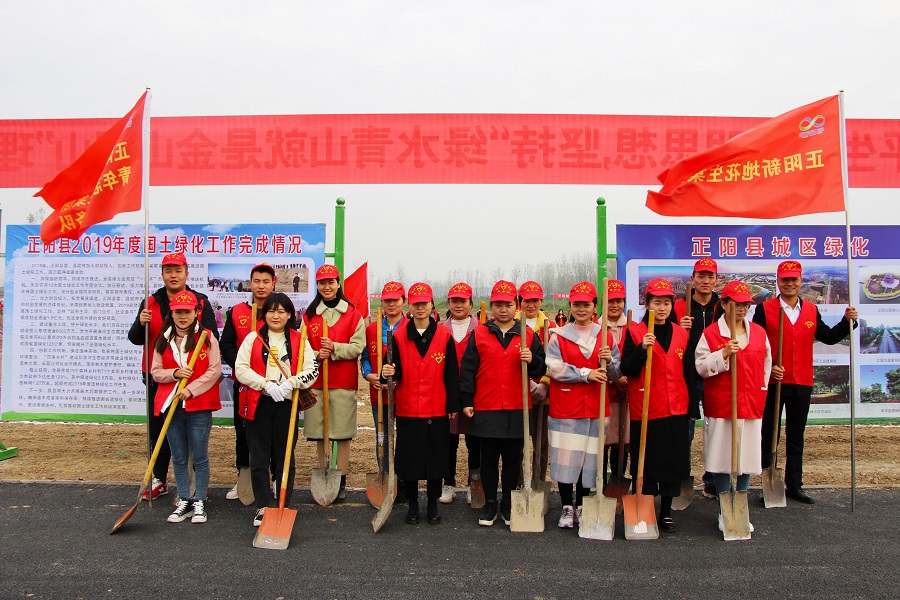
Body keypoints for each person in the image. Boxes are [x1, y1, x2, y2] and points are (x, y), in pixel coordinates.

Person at [752, 260, 857, 504]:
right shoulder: (764, 309)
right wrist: (770, 368)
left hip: (801, 381)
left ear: (801, 282)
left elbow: (829, 338)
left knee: (796, 436)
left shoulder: (810, 310)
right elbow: (757, 345)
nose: (789, 284)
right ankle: (768, 485)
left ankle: (794, 485)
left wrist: (847, 321)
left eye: (794, 280)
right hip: (775, 382)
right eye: (785, 279)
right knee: (770, 435)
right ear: (778, 281)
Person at [127, 252, 219, 501]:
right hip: (159, 377)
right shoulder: (150, 302)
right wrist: (141, 323)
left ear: (187, 272)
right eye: (168, 270)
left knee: (189, 433)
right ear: (162, 274)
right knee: (159, 430)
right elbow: (136, 339)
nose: (173, 275)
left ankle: (192, 485)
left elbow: (211, 337)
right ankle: (159, 479)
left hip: (192, 378)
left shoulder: (200, 301)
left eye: (178, 270)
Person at [460, 280, 546, 527]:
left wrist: (531, 361)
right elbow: (467, 370)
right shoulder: (479, 334)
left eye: (508, 305)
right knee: (488, 458)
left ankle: (508, 503)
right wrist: (466, 400)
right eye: (498, 305)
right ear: (491, 307)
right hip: (486, 406)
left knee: (512, 459)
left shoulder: (528, 335)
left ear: (516, 306)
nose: (503, 310)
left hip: (517, 407)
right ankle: (489, 504)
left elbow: (540, 369)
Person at [696, 280, 778, 533]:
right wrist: (721, 355)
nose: (741, 309)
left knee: (747, 457)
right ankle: (724, 508)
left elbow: (766, 366)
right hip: (722, 404)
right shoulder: (711, 334)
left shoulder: (759, 333)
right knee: (723, 458)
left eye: (745, 305)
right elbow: (700, 367)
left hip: (751, 403)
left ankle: (740, 504)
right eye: (736, 304)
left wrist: (761, 389)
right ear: (724, 305)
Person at [235, 293, 318, 526]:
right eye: (271, 311)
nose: (276, 315)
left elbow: (313, 369)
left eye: (282, 311)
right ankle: (264, 505)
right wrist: (266, 385)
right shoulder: (253, 338)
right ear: (265, 314)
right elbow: (240, 369)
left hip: (287, 405)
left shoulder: (299, 339)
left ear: (290, 314)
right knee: (259, 456)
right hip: (259, 403)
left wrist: (292, 382)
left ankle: (283, 501)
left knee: (284, 457)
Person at [381, 283, 460, 525]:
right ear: (410, 307)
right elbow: (394, 372)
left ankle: (433, 505)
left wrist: (452, 404)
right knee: (411, 460)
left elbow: (451, 374)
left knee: (436, 460)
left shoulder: (445, 336)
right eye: (416, 304)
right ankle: (413, 505)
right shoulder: (398, 336)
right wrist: (387, 372)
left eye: (424, 303)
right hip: (408, 408)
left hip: (437, 408)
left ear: (432, 305)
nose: (420, 308)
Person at [620, 278, 692, 533]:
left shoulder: (681, 333)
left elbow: (689, 371)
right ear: (647, 304)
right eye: (656, 303)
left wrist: (692, 407)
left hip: (676, 407)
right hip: (647, 407)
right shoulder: (634, 332)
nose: (661, 308)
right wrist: (641, 349)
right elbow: (626, 368)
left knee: (672, 463)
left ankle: (666, 512)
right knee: (647, 462)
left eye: (666, 303)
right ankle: (645, 508)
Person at [545, 281, 618, 528]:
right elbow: (555, 367)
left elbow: (616, 372)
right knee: (566, 458)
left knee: (590, 459)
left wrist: (610, 362)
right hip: (567, 408)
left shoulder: (605, 335)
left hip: (596, 407)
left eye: (586, 304)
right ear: (571, 306)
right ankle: (567, 506)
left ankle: (583, 505)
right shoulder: (559, 336)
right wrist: (586, 373)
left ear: (595, 306)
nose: (581, 309)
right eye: (576, 304)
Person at [150, 290, 222, 524]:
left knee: (199, 457)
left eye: (187, 312)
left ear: (195, 313)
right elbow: (155, 372)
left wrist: (191, 389)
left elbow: (215, 371)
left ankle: (199, 499)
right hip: (171, 405)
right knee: (179, 457)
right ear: (171, 313)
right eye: (178, 312)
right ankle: (184, 500)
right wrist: (174, 374)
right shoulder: (163, 339)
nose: (182, 316)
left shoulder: (207, 337)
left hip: (198, 404)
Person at [303, 264, 366, 503]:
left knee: (341, 432)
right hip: (316, 381)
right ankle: (325, 471)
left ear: (338, 284)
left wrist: (335, 349)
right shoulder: (309, 315)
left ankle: (342, 478)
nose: (326, 287)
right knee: (320, 432)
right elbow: (302, 346)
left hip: (342, 381)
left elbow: (357, 346)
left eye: (331, 282)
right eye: (322, 283)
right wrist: (316, 355)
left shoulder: (352, 314)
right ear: (317, 286)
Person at [219, 263, 276, 501]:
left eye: (266, 281)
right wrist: (243, 368)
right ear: (250, 283)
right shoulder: (237, 312)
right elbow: (227, 345)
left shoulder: (279, 310)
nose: (261, 286)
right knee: (242, 434)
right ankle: (243, 477)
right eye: (256, 281)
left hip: (270, 388)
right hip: (243, 386)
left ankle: (269, 480)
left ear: (273, 283)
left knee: (269, 436)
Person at [674, 257, 721, 497]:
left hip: (715, 376)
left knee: (715, 429)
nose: (705, 281)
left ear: (716, 280)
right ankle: (683, 477)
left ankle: (712, 478)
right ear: (692, 279)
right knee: (687, 431)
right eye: (700, 276)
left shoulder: (723, 307)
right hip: (686, 376)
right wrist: (677, 328)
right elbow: (662, 336)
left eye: (710, 276)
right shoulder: (678, 306)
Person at [360, 281, 407, 497]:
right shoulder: (371, 329)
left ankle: (403, 481)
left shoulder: (411, 328)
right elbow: (366, 358)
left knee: (405, 439)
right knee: (382, 437)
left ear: (403, 302)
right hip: (378, 393)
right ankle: (385, 477)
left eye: (395, 300)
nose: (391, 304)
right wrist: (370, 376)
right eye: (387, 300)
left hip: (404, 394)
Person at [441, 282, 480, 504]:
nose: (458, 305)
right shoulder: (440, 329)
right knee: (449, 441)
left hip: (474, 394)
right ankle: (448, 483)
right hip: (448, 394)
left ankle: (474, 482)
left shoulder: (481, 329)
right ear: (448, 303)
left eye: (462, 301)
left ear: (470, 303)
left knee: (475, 441)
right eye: (454, 301)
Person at [517, 280, 555, 485]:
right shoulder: (512, 324)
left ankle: (539, 481)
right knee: (518, 443)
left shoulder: (552, 326)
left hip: (544, 394)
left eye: (535, 300)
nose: (531, 305)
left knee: (541, 443)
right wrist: (527, 382)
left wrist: (545, 383)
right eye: (526, 300)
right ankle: (519, 482)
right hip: (518, 393)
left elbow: (555, 359)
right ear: (520, 301)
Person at [603, 279, 630, 488]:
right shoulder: (595, 328)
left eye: (619, 300)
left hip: (626, 395)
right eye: (611, 300)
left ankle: (617, 483)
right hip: (603, 393)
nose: (615, 305)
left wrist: (624, 380)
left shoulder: (633, 327)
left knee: (622, 443)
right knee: (603, 442)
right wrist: (615, 378)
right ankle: (600, 484)